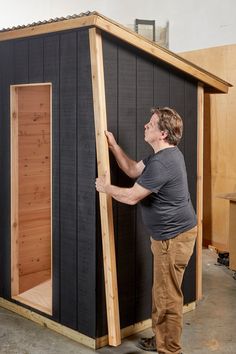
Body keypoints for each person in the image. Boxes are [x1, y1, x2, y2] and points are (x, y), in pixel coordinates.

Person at [95, 107, 197, 354]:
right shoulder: (160, 157)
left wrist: (105, 188)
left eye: (150, 124)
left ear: (162, 133)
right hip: (170, 236)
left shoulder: (164, 163)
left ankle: (170, 350)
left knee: (167, 298)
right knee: (162, 293)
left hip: (173, 239)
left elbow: (131, 197)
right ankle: (161, 338)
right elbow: (131, 170)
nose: (145, 126)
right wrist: (114, 146)